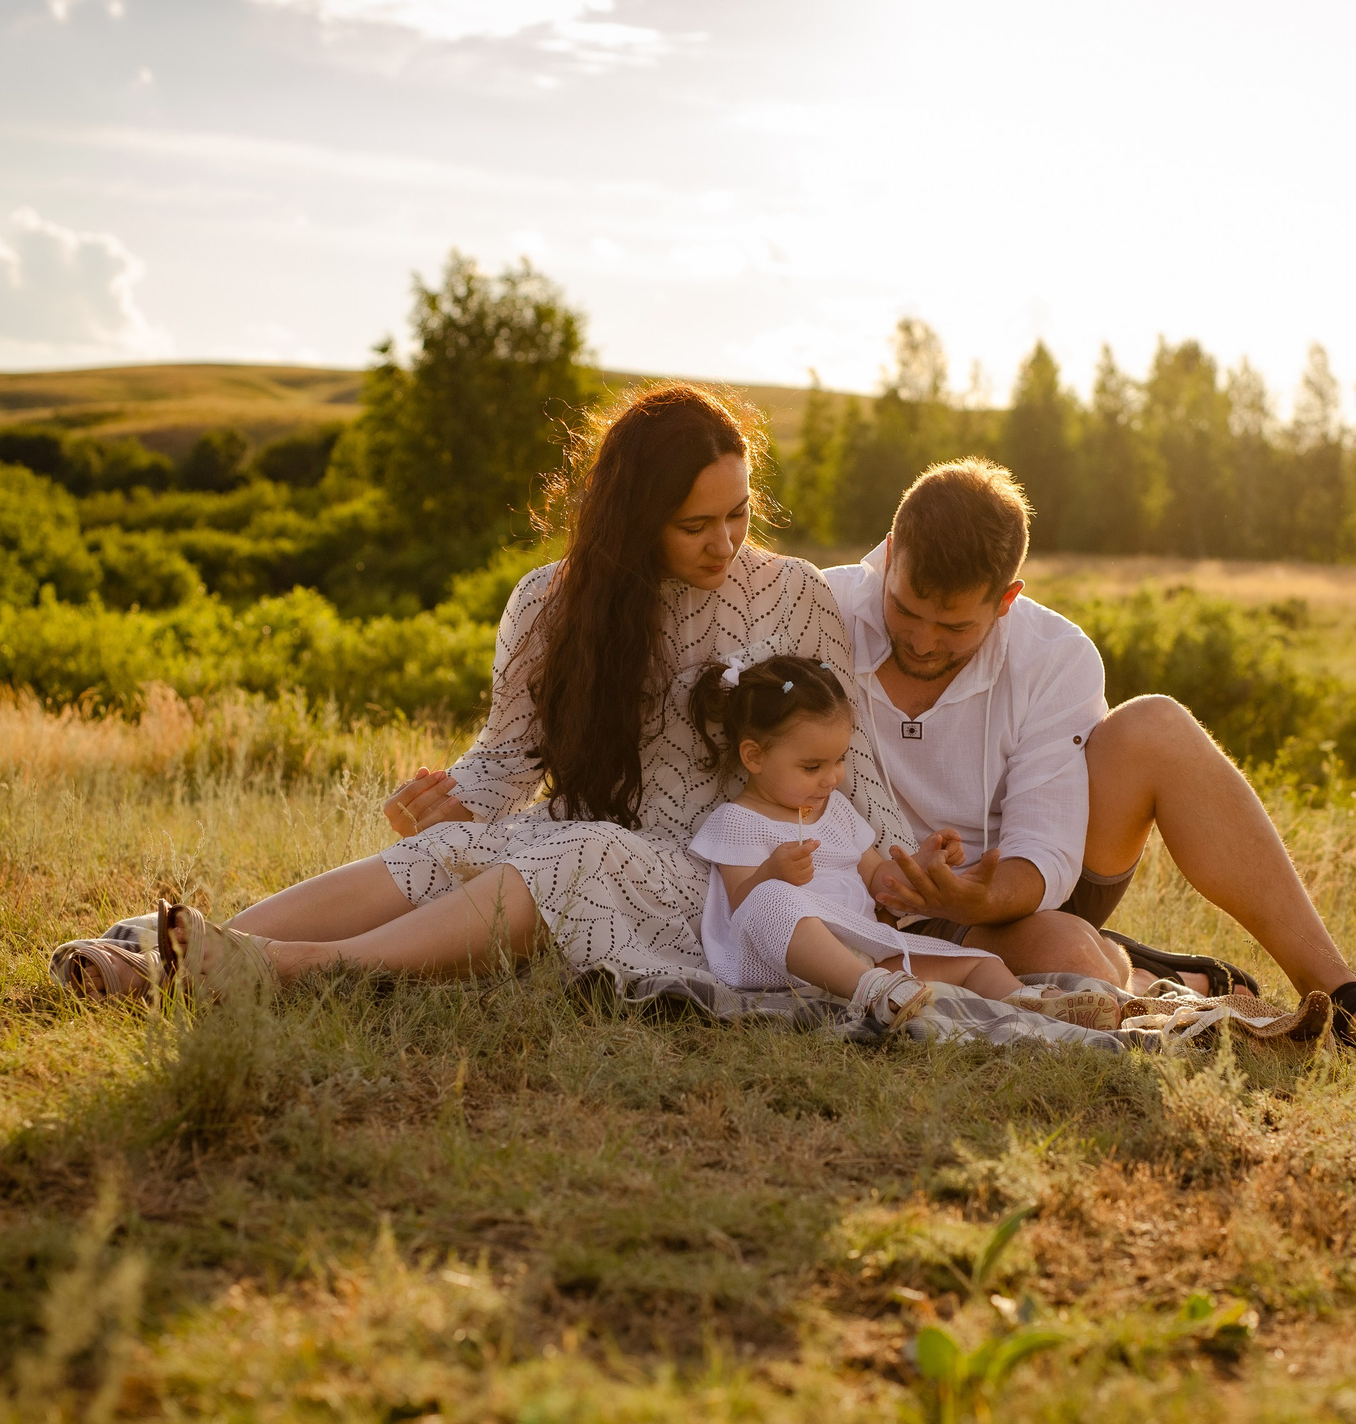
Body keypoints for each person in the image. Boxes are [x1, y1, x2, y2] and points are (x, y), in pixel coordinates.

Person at [105, 382, 920, 993]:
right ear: (634, 515)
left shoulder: (795, 592)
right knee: (446, 849)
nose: (725, 544)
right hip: (589, 828)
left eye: (738, 514)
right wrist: (446, 796)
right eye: (694, 525)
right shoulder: (548, 600)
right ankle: (167, 954)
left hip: (721, 872)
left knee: (576, 851)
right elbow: (508, 759)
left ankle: (296, 970)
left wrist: (907, 877)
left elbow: (858, 763)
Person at [824, 458, 1356, 1038]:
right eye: (904, 609)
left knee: (1157, 725)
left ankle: (1344, 998)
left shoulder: (1054, 654)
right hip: (863, 897)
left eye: (955, 628)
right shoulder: (817, 611)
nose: (923, 641)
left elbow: (1045, 851)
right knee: (1075, 967)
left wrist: (979, 897)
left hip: (1017, 891)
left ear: (1006, 600)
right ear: (889, 550)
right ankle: (1158, 973)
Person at [683, 651, 1067, 1028]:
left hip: (870, 954)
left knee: (979, 961)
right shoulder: (737, 821)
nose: (832, 778)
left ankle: (1032, 1004)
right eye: (812, 767)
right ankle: (867, 990)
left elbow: (877, 879)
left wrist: (920, 863)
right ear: (754, 757)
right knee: (770, 897)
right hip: (783, 963)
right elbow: (741, 904)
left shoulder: (836, 810)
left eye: (838, 760)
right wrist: (772, 871)